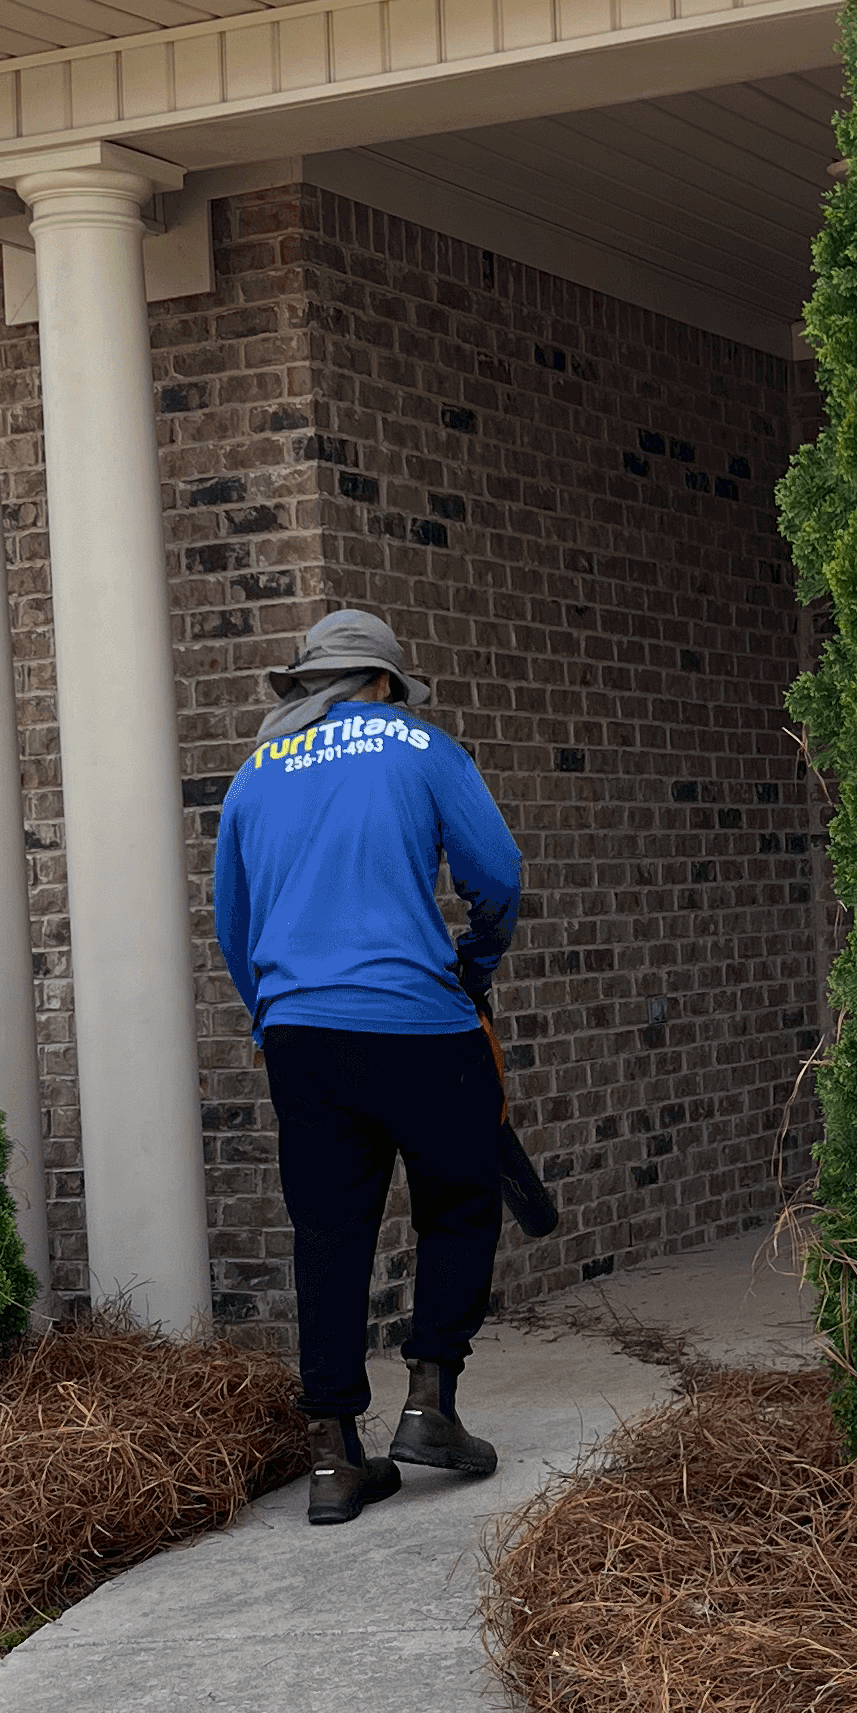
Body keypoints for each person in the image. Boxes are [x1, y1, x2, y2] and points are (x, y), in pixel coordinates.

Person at [212, 606, 525, 1526]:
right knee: (462, 1206)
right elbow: (497, 873)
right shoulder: (420, 746)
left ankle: (333, 1460)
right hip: (421, 1026)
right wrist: (478, 964)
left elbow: (235, 924)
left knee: (329, 1233)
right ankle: (429, 1405)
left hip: (303, 1036)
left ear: (309, 685)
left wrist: (277, 1013)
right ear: (382, 682)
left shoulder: (253, 774)